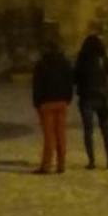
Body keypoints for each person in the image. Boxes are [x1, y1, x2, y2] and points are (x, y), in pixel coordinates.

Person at [30, 36, 75, 174]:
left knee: (49, 135)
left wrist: (37, 102)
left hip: (46, 103)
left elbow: (37, 86)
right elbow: (70, 83)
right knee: (61, 133)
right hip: (62, 102)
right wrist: (67, 99)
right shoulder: (65, 63)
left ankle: (47, 165)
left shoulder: (41, 64)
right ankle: (61, 163)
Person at [72, 34, 108, 170]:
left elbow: (75, 77)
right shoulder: (102, 59)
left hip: (87, 98)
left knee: (88, 131)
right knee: (106, 129)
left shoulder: (82, 59)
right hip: (102, 98)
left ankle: (91, 161)